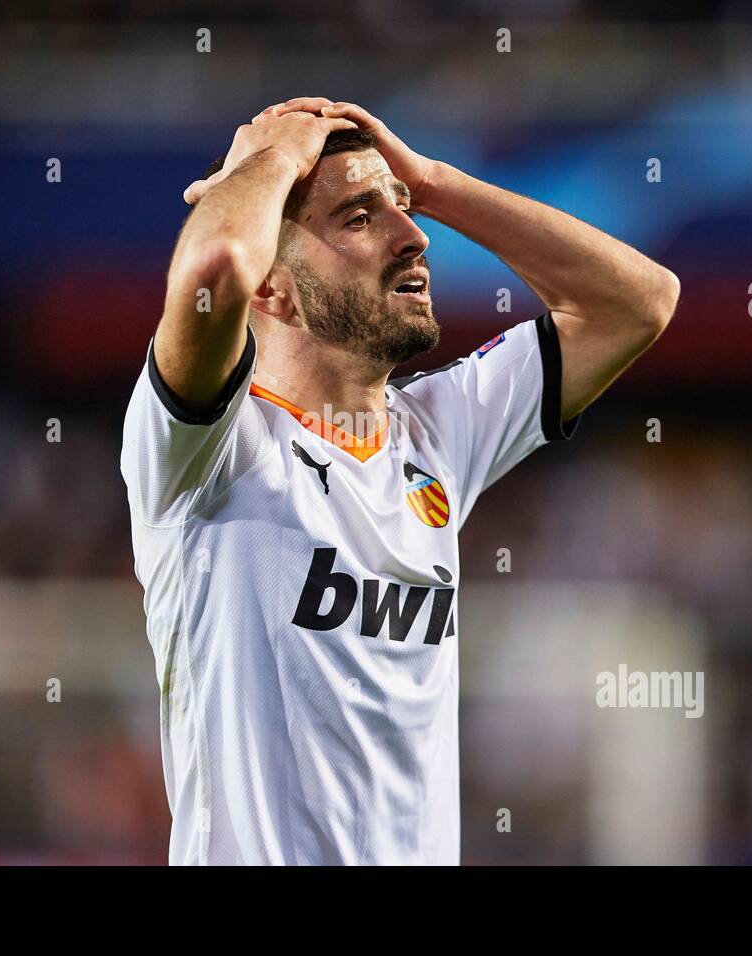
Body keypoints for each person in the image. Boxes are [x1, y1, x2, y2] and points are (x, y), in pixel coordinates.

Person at [121, 97, 679, 864]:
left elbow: (637, 302)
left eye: (404, 209)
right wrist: (271, 161)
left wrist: (437, 181)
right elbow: (215, 266)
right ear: (272, 290)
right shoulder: (208, 451)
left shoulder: (436, 433)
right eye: (358, 218)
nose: (413, 236)